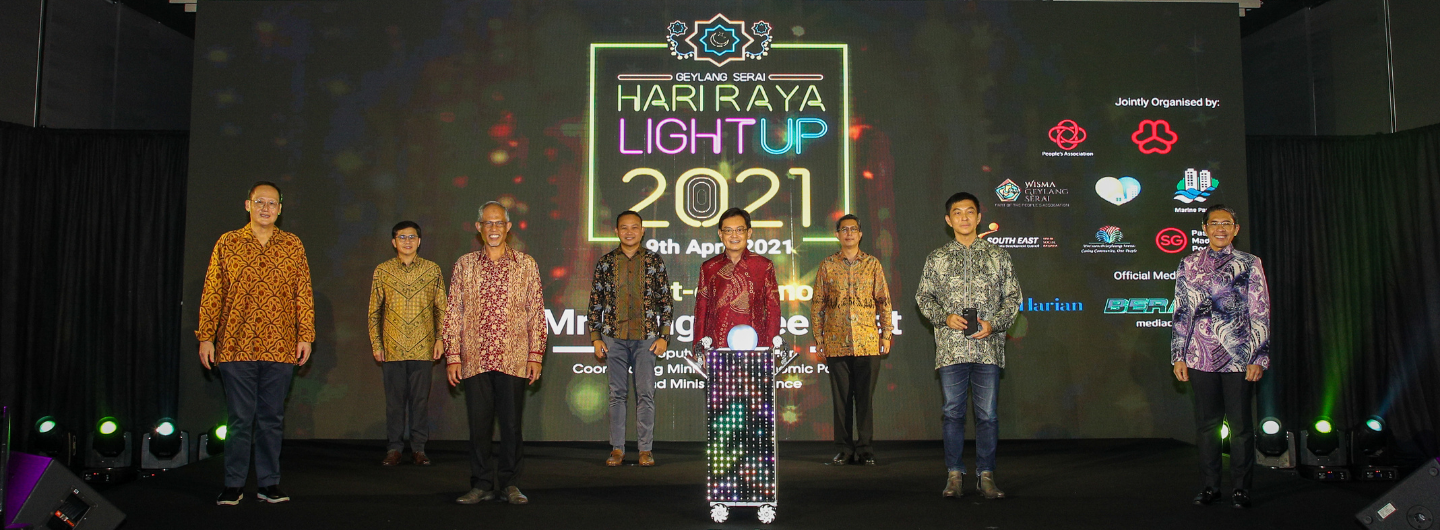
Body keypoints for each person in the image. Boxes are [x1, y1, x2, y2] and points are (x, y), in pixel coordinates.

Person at [196, 181, 314, 506]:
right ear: (247, 205)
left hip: (281, 345)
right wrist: (206, 337)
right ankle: (233, 484)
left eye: (272, 203)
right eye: (259, 202)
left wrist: (306, 335)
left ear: (280, 208)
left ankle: (268, 484)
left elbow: (303, 293)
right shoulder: (228, 243)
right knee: (239, 419)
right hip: (235, 345)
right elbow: (212, 292)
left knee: (272, 418)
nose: (266, 208)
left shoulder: (292, 245)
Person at [915, 192, 1021, 500]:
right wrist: (943, 317)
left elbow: (1013, 298)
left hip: (987, 348)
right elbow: (923, 297)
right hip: (951, 350)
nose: (964, 217)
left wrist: (994, 324)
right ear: (948, 221)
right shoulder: (937, 257)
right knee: (952, 413)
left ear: (978, 217)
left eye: (969, 212)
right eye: (957, 213)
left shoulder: (998, 256)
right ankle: (954, 474)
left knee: (987, 415)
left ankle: (986, 475)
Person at [443, 201, 547, 505]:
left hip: (513, 358)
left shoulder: (526, 264)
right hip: (474, 358)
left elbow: (536, 312)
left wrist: (535, 354)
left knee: (512, 426)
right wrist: (453, 355)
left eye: (499, 223)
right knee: (479, 426)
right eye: (487, 223)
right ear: (478, 228)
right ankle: (481, 484)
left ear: (508, 227)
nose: (493, 229)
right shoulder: (464, 265)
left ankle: (510, 484)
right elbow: (453, 312)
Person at [1171, 204, 1270, 509]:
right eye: (1214, 223)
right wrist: (1178, 355)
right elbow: (1182, 313)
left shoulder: (1250, 264)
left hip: (1239, 357)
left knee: (1241, 428)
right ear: (1204, 228)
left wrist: (1259, 357)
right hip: (1199, 357)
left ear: (1235, 230)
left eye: (1226, 223)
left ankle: (1241, 488)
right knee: (1206, 426)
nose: (1220, 229)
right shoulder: (1188, 264)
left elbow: (1260, 310)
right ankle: (1211, 486)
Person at [587, 210, 673, 467]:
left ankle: (645, 450)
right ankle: (617, 449)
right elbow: (595, 303)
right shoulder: (605, 263)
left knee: (645, 394)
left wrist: (664, 336)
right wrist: (596, 337)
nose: (629, 232)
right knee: (617, 395)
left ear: (642, 230)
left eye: (634, 227)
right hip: (613, 337)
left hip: (647, 337)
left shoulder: (654, 262)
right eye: (624, 227)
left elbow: (665, 302)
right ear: (616, 231)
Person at [811, 214, 893, 466]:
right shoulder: (827, 265)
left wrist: (886, 334)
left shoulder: (873, 264)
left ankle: (865, 448)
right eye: (843, 229)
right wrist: (819, 337)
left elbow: (884, 301)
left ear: (860, 234)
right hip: (836, 343)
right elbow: (817, 305)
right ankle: (844, 449)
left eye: (853, 229)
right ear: (837, 235)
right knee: (841, 401)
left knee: (865, 399)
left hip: (868, 341)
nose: (848, 233)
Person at [367, 220, 446, 467]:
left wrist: (440, 339)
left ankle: (419, 449)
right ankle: (394, 448)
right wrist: (376, 343)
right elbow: (374, 312)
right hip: (392, 347)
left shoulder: (432, 270)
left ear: (419, 241)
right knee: (394, 403)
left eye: (412, 237)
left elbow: (442, 309)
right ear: (394, 242)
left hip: (423, 348)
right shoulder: (383, 271)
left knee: (420, 402)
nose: (408, 241)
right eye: (402, 237)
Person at [693, 208, 781, 350]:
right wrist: (699, 349)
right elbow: (701, 312)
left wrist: (772, 348)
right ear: (720, 234)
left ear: (749, 233)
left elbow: (773, 310)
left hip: (757, 348)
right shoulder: (709, 268)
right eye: (728, 230)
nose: (734, 235)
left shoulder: (763, 266)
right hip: (717, 348)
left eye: (740, 230)